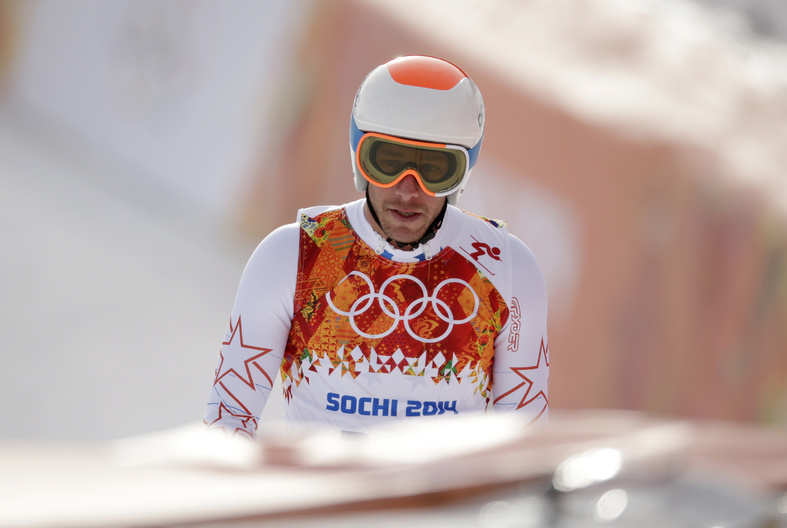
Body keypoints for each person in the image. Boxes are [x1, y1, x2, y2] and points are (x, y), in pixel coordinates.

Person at [204, 55, 549, 440]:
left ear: (462, 171)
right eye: (387, 162)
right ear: (359, 158)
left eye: (434, 169)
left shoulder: (509, 269)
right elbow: (229, 418)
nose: (407, 190)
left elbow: (524, 445)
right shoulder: (293, 255)